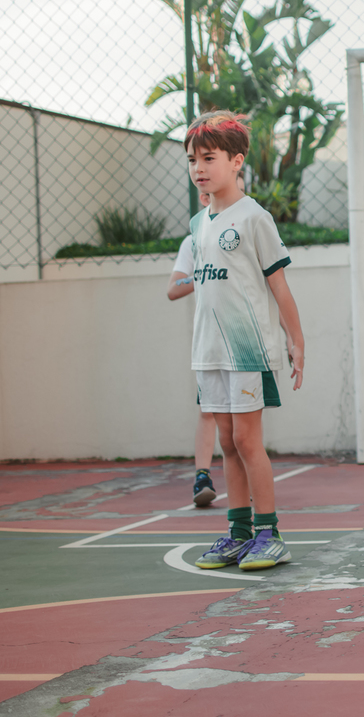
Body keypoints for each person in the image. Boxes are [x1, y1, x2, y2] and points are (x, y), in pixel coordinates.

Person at [183, 110, 305, 571]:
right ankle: (237, 533)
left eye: (209, 157)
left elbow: (279, 287)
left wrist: (297, 341)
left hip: (249, 351)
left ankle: (269, 533)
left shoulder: (254, 217)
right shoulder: (198, 225)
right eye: (193, 159)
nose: (199, 167)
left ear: (236, 161)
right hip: (208, 351)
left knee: (249, 441)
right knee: (228, 443)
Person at [168, 190, 219, 507]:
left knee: (244, 417)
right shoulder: (192, 242)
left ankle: (247, 476)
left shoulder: (249, 227)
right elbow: (173, 289)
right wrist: (197, 277)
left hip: (243, 339)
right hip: (209, 341)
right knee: (208, 410)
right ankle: (203, 476)